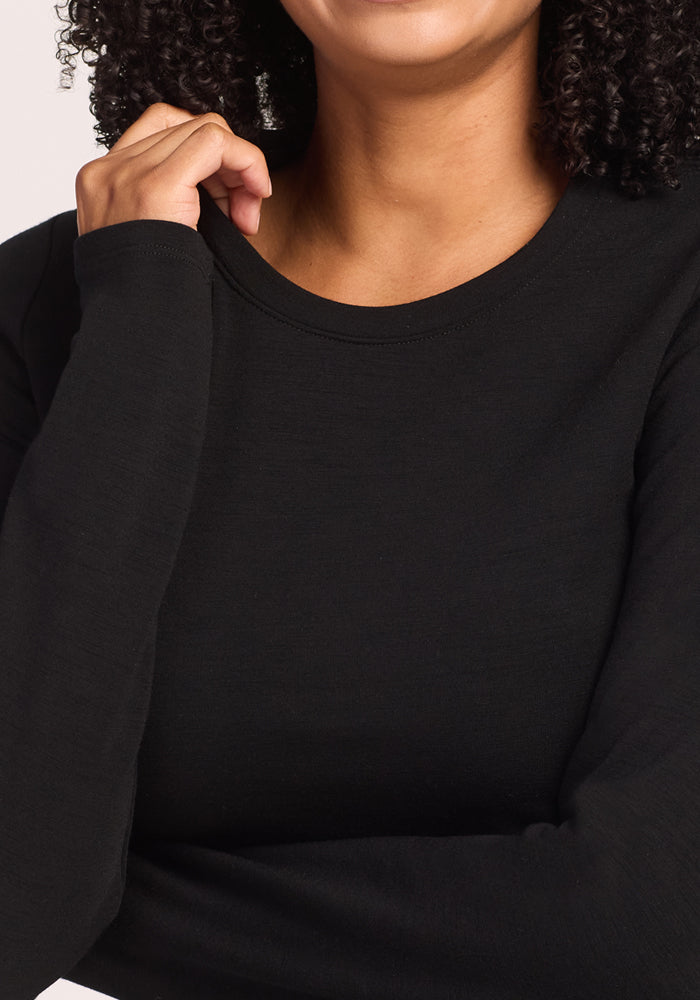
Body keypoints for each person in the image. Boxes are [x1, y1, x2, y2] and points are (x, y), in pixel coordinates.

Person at [1, 0, 699, 997]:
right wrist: (141, 309)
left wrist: (102, 911)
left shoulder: (678, 286)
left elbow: (649, 925)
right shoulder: (66, 304)